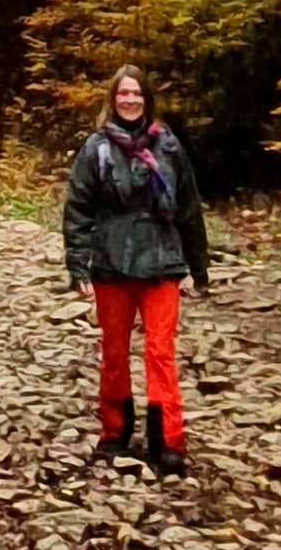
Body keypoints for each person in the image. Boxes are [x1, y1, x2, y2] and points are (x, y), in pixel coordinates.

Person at [62, 61, 208, 477]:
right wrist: (78, 267)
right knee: (114, 353)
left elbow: (188, 209)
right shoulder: (96, 149)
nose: (129, 100)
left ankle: (168, 443)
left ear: (147, 100)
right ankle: (114, 435)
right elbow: (78, 210)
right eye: (123, 94)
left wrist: (198, 268)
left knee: (160, 353)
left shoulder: (169, 146)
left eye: (136, 94)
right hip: (111, 264)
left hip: (162, 262)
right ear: (113, 99)